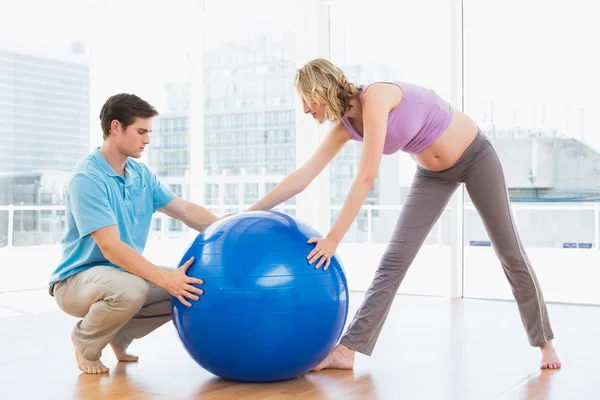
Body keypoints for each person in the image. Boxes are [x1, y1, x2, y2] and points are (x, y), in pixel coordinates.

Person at [248, 58, 562, 370]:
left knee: (509, 252)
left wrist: (333, 239)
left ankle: (544, 343)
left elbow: (366, 177)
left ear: (321, 89)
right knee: (394, 261)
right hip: (432, 175)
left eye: (306, 99)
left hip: (476, 156)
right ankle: (348, 350)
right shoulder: (343, 128)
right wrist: (245, 215)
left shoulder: (376, 97)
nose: (305, 109)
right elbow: (302, 178)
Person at [48, 93, 219, 374]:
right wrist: (166, 279)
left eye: (148, 132)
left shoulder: (140, 175)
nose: (147, 140)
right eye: (141, 131)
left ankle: (119, 335)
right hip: (76, 281)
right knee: (136, 288)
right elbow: (111, 248)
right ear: (116, 127)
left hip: (120, 276)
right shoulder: (88, 179)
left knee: (192, 285)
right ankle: (85, 341)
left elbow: (184, 211)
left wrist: (225, 228)